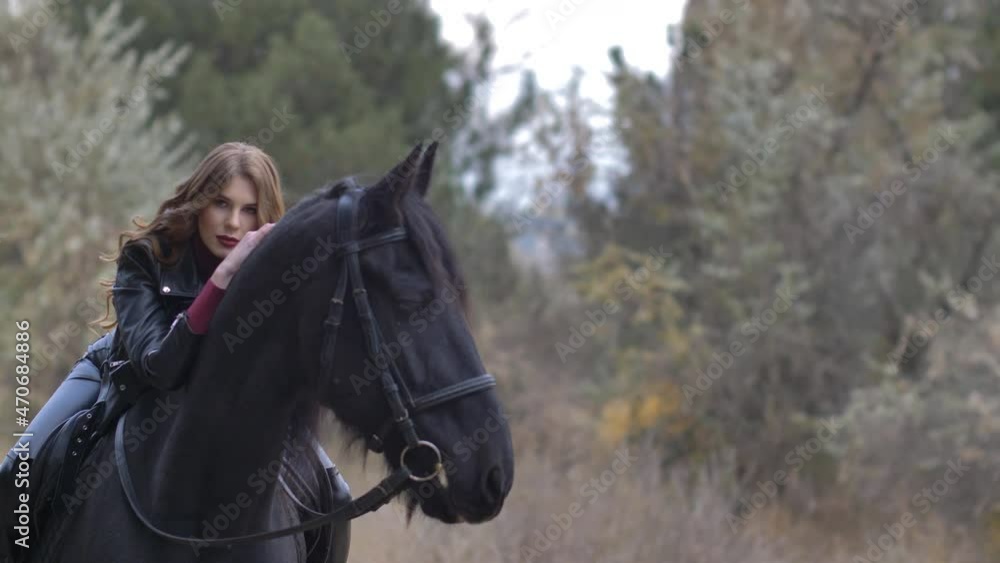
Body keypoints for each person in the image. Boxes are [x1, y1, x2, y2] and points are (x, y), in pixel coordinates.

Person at [0, 142, 349, 562]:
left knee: (338, 497)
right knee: (17, 470)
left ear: (265, 216)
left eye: (249, 209)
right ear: (200, 202)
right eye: (221, 203)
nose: (233, 223)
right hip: (122, 372)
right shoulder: (147, 258)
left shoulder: (279, 278)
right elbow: (160, 367)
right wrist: (222, 279)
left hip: (227, 404)